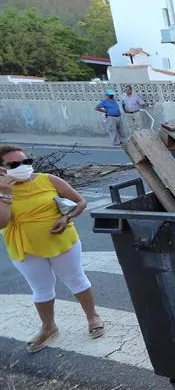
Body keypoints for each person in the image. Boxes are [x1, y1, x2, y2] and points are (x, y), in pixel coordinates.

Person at [0, 146, 104, 353]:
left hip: (62, 239)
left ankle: (93, 316)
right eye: (14, 165)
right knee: (41, 288)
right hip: (25, 247)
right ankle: (49, 327)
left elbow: (80, 202)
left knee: (76, 278)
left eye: (26, 162)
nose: (22, 167)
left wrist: (66, 218)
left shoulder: (48, 179)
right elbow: (2, 223)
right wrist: (5, 194)